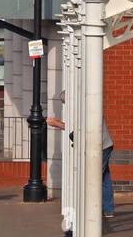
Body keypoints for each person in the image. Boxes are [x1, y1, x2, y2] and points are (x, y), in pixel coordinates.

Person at [47, 91, 115, 219]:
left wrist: (56, 123)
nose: (66, 105)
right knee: (104, 178)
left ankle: (93, 209)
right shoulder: (87, 105)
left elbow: (78, 130)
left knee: (93, 177)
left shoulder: (82, 109)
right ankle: (108, 208)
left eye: (66, 103)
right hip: (105, 144)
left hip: (100, 146)